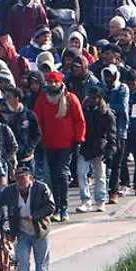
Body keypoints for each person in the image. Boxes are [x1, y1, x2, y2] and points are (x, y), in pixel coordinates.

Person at [0, 164, 55, 271]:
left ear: (30, 178)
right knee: (22, 262)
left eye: (23, 178)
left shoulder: (41, 188)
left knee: (41, 263)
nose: (20, 181)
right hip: (22, 232)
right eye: (18, 179)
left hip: (40, 231)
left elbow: (50, 207)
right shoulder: (10, 191)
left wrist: (34, 216)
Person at [33, 71, 84, 221]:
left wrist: (78, 139)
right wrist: (38, 139)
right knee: (53, 176)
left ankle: (64, 207)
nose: (53, 84)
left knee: (62, 174)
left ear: (60, 82)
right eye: (50, 82)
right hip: (49, 143)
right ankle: (56, 207)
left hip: (66, 143)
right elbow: (37, 120)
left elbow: (79, 120)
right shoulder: (42, 100)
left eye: (55, 81)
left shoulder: (70, 98)